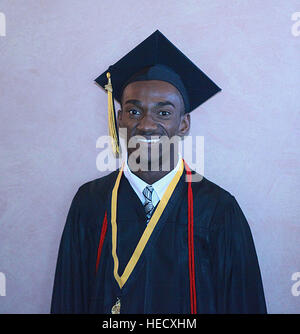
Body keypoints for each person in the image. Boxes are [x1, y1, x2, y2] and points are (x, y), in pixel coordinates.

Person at [50, 30, 267, 314]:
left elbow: (243, 305)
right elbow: (69, 300)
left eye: (163, 113)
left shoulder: (218, 209)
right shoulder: (90, 202)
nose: (147, 125)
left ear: (184, 124)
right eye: (134, 111)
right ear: (119, 120)